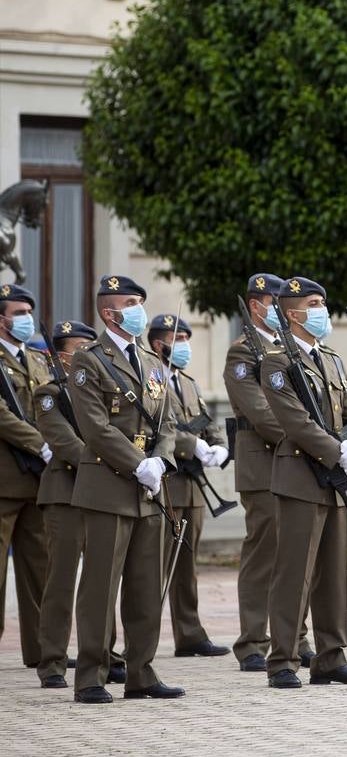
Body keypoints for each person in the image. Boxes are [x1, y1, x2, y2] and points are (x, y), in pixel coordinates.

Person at [67, 275, 181, 702]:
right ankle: (92, 676)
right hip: (107, 486)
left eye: (140, 301)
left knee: (144, 585)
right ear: (107, 312)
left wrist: (161, 461)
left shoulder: (152, 360)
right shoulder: (89, 360)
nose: (139, 308)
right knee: (100, 586)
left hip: (149, 488)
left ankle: (142, 672)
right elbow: (95, 428)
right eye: (130, 302)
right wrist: (138, 464)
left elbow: (166, 423)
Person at [260, 276, 347, 688]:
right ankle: (283, 660)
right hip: (300, 475)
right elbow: (294, 420)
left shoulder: (331, 359)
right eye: (313, 303)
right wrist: (336, 450)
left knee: (332, 573)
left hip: (334, 479)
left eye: (322, 302)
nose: (321, 310)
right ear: (291, 313)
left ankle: (331, 657)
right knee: (295, 574)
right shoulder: (276, 361)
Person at [225, 273, 316, 672]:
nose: (278, 308)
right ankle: (252, 641)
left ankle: (293, 635)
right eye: (271, 300)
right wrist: (311, 442)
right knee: (265, 552)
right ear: (256, 304)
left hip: (299, 461)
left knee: (295, 553)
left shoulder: (293, 350)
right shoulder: (244, 352)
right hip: (265, 462)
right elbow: (260, 411)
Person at [34, 319, 126, 689]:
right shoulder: (49, 393)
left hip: (102, 491)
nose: (87, 357)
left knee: (103, 580)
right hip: (66, 493)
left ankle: (106, 654)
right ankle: (53, 660)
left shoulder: (103, 392)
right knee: (61, 580)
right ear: (60, 356)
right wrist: (109, 459)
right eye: (78, 350)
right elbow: (63, 442)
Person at [148, 313, 231, 657]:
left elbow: (207, 422)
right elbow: (156, 425)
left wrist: (218, 446)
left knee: (188, 565)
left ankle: (190, 633)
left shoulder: (189, 383)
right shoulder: (152, 380)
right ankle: (145, 636)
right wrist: (188, 444)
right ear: (158, 344)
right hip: (166, 482)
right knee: (156, 565)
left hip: (193, 485)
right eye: (176, 339)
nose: (183, 345)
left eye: (185, 338)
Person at [0, 282, 50, 670]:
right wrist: (42, 445)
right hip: (4, 479)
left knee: (40, 568)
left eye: (28, 312)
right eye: (18, 313)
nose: (26, 319)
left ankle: (42, 649)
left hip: (37, 480)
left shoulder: (37, 360)